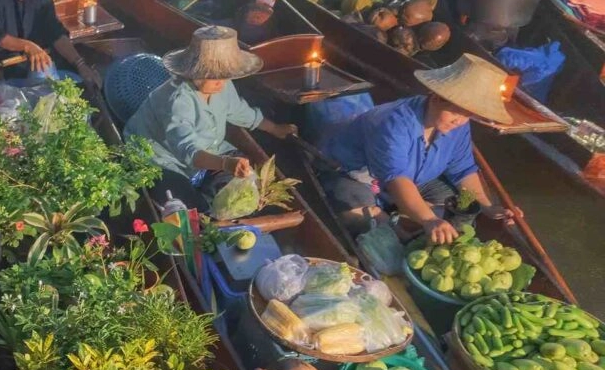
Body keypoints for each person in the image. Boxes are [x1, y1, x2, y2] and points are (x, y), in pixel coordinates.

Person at [319, 54, 524, 245]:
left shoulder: (458, 126)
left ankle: (402, 215)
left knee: (463, 206)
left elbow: (463, 170)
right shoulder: (393, 123)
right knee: (357, 220)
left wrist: (487, 206)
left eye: (468, 115)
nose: (460, 121)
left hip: (415, 180)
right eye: (456, 112)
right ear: (436, 98)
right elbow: (397, 178)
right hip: (356, 177)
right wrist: (429, 219)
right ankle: (388, 217)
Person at [124, 26, 298, 211]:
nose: (221, 83)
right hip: (161, 159)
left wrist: (275, 129)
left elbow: (240, 111)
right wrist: (224, 163)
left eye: (225, 76)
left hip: (210, 149)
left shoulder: (221, 84)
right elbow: (188, 150)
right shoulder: (177, 100)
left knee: (248, 187)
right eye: (214, 76)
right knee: (187, 210)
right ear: (195, 72)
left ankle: (210, 195)